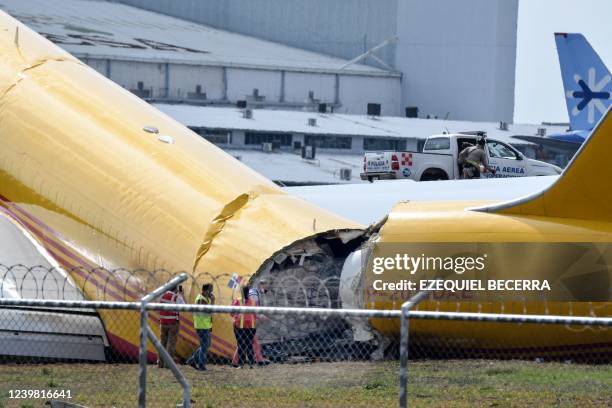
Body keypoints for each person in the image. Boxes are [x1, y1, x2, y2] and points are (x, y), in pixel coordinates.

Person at [232, 280, 271, 366]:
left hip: (248, 326)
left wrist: (262, 317)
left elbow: (255, 312)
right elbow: (255, 312)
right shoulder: (253, 295)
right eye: (266, 286)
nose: (267, 288)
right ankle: (257, 361)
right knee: (247, 344)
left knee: (245, 344)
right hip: (243, 326)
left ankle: (238, 362)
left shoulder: (253, 296)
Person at [186, 283, 214, 371]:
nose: (211, 293)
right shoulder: (201, 300)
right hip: (202, 326)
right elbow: (209, 312)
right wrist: (213, 302)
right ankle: (201, 365)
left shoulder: (205, 299)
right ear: (205, 290)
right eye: (210, 291)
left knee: (206, 345)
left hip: (205, 325)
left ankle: (192, 360)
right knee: (204, 346)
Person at [158, 284, 185, 368]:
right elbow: (184, 307)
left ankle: (160, 362)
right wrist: (181, 295)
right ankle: (168, 364)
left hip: (162, 322)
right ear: (176, 289)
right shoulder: (176, 297)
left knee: (162, 342)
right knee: (171, 343)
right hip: (173, 323)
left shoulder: (161, 296)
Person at [231, 285, 257, 368]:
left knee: (245, 345)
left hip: (245, 327)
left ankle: (246, 364)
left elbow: (231, 313)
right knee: (245, 345)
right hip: (244, 327)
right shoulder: (241, 301)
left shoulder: (248, 302)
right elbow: (231, 313)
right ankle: (246, 364)